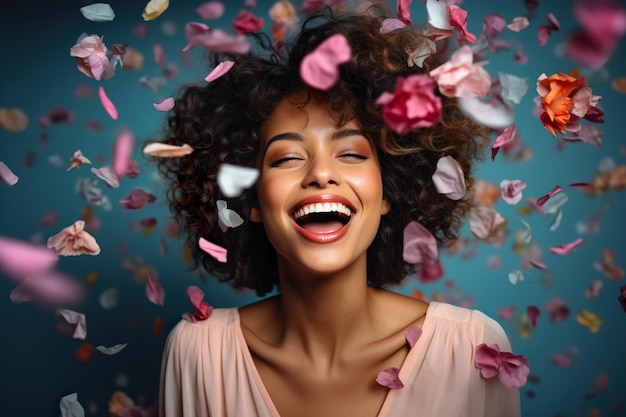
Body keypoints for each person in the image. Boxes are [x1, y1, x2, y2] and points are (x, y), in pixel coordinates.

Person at [149, 3, 524, 417]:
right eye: (287, 158)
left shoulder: (471, 347)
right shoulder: (196, 352)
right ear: (250, 200)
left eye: (350, 153)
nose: (321, 174)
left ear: (388, 191)